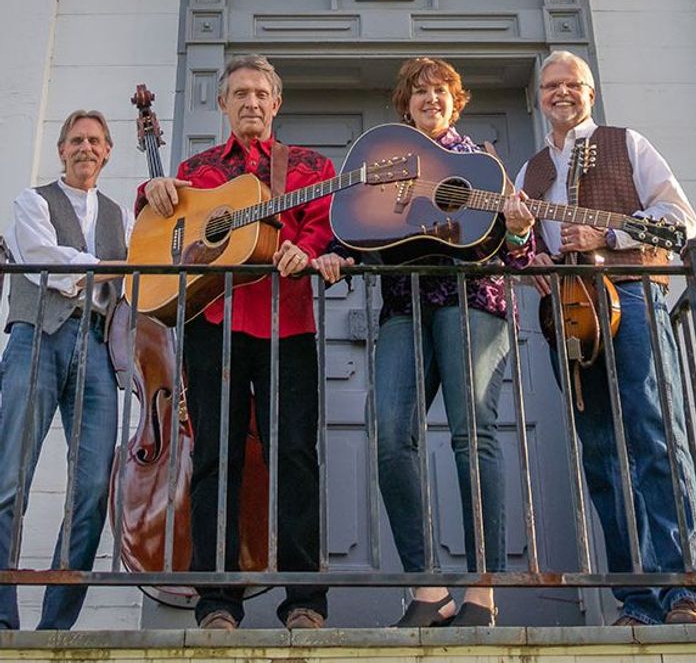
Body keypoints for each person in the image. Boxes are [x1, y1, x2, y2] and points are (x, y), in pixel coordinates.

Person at [314, 57, 535, 627]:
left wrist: (518, 226)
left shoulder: (484, 166)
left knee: (472, 437)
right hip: (403, 307)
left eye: (441, 91)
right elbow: (365, 232)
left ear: (455, 102)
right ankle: (428, 588)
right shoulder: (388, 162)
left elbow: (521, 259)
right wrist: (341, 252)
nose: (431, 99)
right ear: (405, 106)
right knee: (390, 435)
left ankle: (482, 593)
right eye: (419, 92)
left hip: (473, 304)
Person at [515, 49, 696, 625]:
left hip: (631, 295)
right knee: (601, 454)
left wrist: (607, 230)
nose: (561, 93)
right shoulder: (530, 172)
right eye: (551, 85)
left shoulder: (627, 143)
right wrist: (528, 255)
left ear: (590, 93)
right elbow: (531, 252)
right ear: (539, 97)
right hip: (570, 315)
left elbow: (681, 219)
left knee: (654, 436)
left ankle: (691, 592)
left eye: (572, 84)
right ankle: (638, 601)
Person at [136, 54, 332, 630]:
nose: (250, 103)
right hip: (213, 325)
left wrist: (310, 250)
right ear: (222, 104)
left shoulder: (308, 165)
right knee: (214, 458)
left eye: (260, 94)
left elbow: (324, 224)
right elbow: (155, 224)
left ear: (277, 104)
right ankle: (217, 601)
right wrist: (154, 186)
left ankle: (303, 600)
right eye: (239, 94)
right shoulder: (198, 168)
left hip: (288, 324)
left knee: (294, 456)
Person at [0, 110, 132, 629]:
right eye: (76, 140)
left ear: (107, 152)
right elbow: (41, 257)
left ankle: (56, 626)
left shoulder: (119, 216)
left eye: (94, 141)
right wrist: (98, 268)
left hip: (97, 345)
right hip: (38, 337)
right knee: (10, 480)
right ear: (61, 150)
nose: (85, 148)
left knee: (92, 491)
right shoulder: (32, 200)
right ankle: (3, 621)